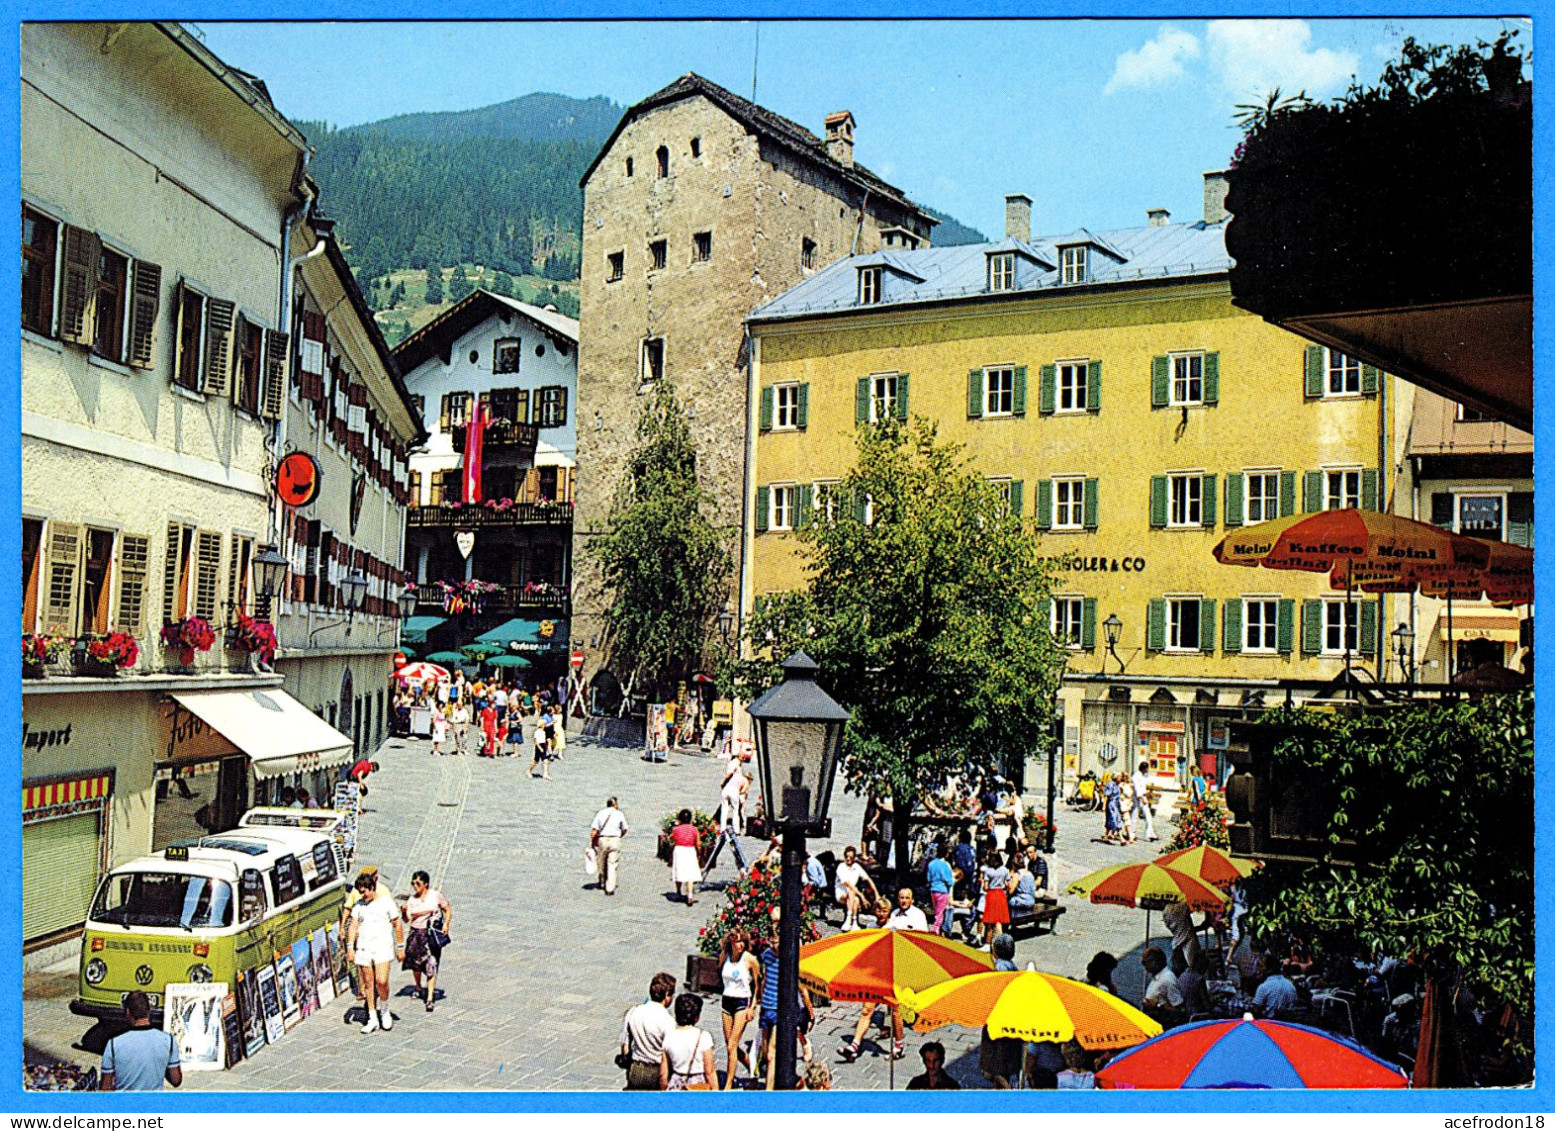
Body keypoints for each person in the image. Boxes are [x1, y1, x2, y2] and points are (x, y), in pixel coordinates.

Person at [345, 872, 405, 1034]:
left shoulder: (386, 902)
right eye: (360, 892)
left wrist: (400, 947)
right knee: (368, 983)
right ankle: (372, 1017)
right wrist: (350, 947)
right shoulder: (358, 906)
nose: (363, 895)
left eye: (365, 891)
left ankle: (384, 1010)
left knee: (382, 980)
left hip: (382, 947)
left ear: (372, 888)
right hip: (364, 948)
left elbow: (397, 924)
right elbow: (353, 926)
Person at [99, 991, 181, 1091]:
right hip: (154, 1104)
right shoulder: (168, 1040)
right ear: (149, 1010)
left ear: (128, 1012)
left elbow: (105, 1089)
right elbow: (176, 1080)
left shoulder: (113, 1044)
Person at [401, 870, 452, 1012]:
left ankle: (429, 998)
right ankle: (418, 986)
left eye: (417, 883)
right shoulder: (411, 900)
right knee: (416, 964)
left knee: (431, 964)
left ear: (426, 884)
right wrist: (404, 912)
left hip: (430, 935)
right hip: (416, 934)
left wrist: (446, 924)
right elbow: (406, 919)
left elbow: (447, 909)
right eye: (413, 883)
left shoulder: (435, 896)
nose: (415, 886)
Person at [718, 930, 761, 1089]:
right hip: (726, 1000)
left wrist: (753, 1006)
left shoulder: (750, 959)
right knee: (731, 1044)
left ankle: (728, 1085)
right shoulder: (725, 957)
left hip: (742, 1002)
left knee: (731, 1046)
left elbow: (758, 984)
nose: (741, 944)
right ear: (731, 942)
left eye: (743, 941)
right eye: (737, 941)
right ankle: (752, 1067)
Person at [621, 972, 677, 1091]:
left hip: (636, 1068)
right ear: (666, 995)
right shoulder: (668, 1021)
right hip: (657, 1071)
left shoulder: (633, 1012)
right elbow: (668, 1055)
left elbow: (625, 1045)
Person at [980, 934, 1023, 1087]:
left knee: (995, 1066)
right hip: (1011, 1021)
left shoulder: (997, 968)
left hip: (997, 1021)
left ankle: (1006, 1087)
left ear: (995, 951)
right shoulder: (1014, 968)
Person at [661, 993, 717, 1091]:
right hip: (697, 1086)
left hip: (676, 1083)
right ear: (697, 1017)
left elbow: (663, 1074)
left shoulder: (669, 1036)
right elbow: (710, 1072)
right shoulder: (704, 1036)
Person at [833, 845, 875, 931]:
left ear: (854, 858)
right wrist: (862, 896)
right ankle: (849, 919)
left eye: (851, 857)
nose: (848, 859)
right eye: (846, 856)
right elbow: (847, 884)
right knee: (851, 892)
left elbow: (868, 879)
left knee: (856, 899)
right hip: (841, 894)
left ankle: (854, 922)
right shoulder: (841, 866)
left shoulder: (857, 867)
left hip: (851, 895)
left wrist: (876, 894)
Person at [591, 797, 628, 895]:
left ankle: (602, 882)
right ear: (615, 804)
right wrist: (619, 836)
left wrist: (591, 843)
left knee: (601, 862)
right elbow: (625, 829)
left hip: (603, 839)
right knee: (612, 864)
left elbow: (594, 831)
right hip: (615, 840)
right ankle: (610, 888)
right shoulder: (619, 814)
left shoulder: (600, 813)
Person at [1140, 946, 1184, 1026]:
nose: (1144, 966)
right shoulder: (1156, 978)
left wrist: (1157, 1006)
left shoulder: (1167, 979)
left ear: (1155, 961)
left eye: (1145, 962)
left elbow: (1180, 1010)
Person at [668, 808, 702, 906]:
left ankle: (678, 891)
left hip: (679, 850)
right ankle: (690, 895)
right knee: (690, 874)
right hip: (690, 850)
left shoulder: (676, 829)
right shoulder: (694, 829)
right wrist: (699, 853)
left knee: (679, 871)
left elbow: (671, 838)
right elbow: (698, 844)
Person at [1162, 899, 1202, 977]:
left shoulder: (1165, 911)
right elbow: (1194, 905)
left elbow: (1167, 925)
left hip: (1177, 941)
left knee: (1178, 969)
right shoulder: (1181, 907)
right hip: (1188, 941)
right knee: (1191, 969)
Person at [979, 850, 1011, 946]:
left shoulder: (988, 871)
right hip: (1001, 894)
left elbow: (985, 887)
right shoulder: (1005, 870)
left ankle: (987, 943)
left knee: (990, 921)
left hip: (991, 894)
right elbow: (1008, 885)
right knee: (999, 920)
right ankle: (1001, 943)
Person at [926, 843, 955, 933]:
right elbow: (949, 880)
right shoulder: (945, 865)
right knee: (940, 913)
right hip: (943, 891)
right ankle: (936, 929)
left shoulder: (931, 864)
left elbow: (928, 878)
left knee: (936, 911)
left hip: (933, 890)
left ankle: (937, 928)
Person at [1178, 951, 1212, 1019]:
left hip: (1185, 1011)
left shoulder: (1183, 975)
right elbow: (1206, 1004)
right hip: (1197, 1014)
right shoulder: (1199, 979)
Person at [1131, 761, 1159, 841]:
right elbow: (1137, 788)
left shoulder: (1143, 776)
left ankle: (1150, 833)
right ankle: (1132, 833)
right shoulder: (1136, 776)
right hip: (1138, 798)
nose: (1147, 770)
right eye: (1147, 768)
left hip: (1143, 797)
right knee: (1134, 815)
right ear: (1144, 768)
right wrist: (1141, 798)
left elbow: (1144, 785)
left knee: (1148, 816)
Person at [529, 708, 552, 777]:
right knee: (536, 761)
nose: (545, 725)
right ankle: (529, 771)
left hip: (543, 745)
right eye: (544, 724)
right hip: (539, 746)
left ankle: (545, 774)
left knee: (545, 760)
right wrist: (540, 748)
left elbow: (545, 740)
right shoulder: (537, 731)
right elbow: (535, 741)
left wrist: (547, 747)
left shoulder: (543, 731)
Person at [1101, 773, 1123, 844]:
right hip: (1111, 805)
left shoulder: (1117, 785)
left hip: (1116, 805)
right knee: (1113, 820)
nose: (1121, 778)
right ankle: (1121, 839)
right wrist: (1104, 806)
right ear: (1116, 777)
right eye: (1120, 777)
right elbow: (1106, 796)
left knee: (1114, 820)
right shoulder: (1110, 784)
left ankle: (1106, 836)